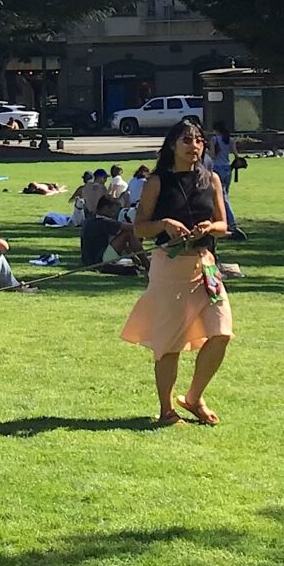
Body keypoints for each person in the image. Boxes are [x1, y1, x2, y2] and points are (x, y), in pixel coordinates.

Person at [122, 120, 233, 426]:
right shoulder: (157, 182)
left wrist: (210, 227)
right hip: (169, 268)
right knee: (169, 343)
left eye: (198, 140)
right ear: (172, 145)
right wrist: (165, 224)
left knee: (221, 333)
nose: (194, 145)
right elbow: (140, 228)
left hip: (205, 265)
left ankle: (194, 397)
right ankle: (166, 410)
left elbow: (224, 225)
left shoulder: (210, 180)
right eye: (187, 140)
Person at [206, 124, 246, 242]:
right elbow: (235, 154)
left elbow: (212, 154)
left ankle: (230, 224)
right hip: (227, 169)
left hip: (216, 169)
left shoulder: (214, 140)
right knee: (224, 196)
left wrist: (205, 151)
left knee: (220, 198)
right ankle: (225, 221)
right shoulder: (230, 140)